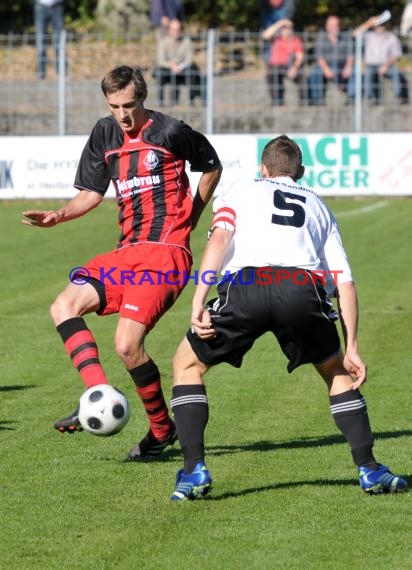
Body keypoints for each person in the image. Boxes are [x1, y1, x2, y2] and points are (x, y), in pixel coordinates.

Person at [168, 134, 407, 501]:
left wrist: (199, 298)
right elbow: (345, 282)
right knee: (336, 370)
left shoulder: (242, 189)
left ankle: (194, 470)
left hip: (246, 286)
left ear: (263, 168)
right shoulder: (318, 204)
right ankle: (370, 469)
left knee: (186, 364)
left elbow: (218, 241)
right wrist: (353, 347)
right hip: (301, 289)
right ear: (302, 172)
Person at [22, 65, 222, 460]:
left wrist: (193, 216)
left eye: (129, 105)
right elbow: (91, 193)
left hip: (165, 254)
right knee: (63, 306)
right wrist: (59, 215)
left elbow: (211, 166)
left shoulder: (170, 132)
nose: (122, 115)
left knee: (127, 345)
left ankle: (161, 430)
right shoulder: (104, 133)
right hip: (125, 253)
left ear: (142, 99)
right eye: (114, 106)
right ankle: (97, 395)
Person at [354, 15, 409, 105]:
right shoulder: (368, 36)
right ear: (374, 26)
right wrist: (369, 22)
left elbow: (396, 55)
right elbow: (356, 34)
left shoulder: (391, 37)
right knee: (369, 74)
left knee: (396, 73)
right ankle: (372, 98)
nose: (380, 26)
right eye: (378, 24)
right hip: (371, 65)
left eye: (383, 24)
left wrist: (385, 65)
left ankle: (399, 96)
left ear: (386, 25)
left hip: (387, 65)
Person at [154, 18, 205, 106]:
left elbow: (189, 59)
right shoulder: (163, 42)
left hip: (183, 69)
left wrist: (180, 67)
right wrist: (171, 65)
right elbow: (160, 60)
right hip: (168, 68)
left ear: (181, 30)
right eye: (174, 30)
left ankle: (191, 101)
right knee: (159, 72)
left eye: (178, 29)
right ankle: (161, 102)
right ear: (169, 30)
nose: (176, 32)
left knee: (193, 70)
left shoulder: (187, 42)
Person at [308, 15, 355, 105]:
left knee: (354, 71)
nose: (334, 27)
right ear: (327, 26)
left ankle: (352, 98)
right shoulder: (321, 39)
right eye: (332, 25)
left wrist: (348, 66)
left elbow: (351, 55)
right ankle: (317, 99)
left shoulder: (346, 38)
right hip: (326, 65)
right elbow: (319, 57)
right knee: (315, 71)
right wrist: (326, 69)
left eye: (336, 25)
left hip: (342, 65)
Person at [261, 18, 306, 105]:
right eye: (284, 28)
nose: (286, 30)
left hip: (289, 66)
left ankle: (304, 102)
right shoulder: (275, 38)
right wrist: (280, 23)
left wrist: (294, 68)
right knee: (272, 75)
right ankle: (277, 101)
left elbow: (300, 56)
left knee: (302, 76)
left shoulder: (296, 40)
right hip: (275, 66)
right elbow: (265, 35)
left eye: (288, 28)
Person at [34, 0, 65, 79]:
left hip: (57, 6)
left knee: (60, 43)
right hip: (41, 6)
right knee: (40, 43)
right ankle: (41, 73)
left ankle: (61, 72)